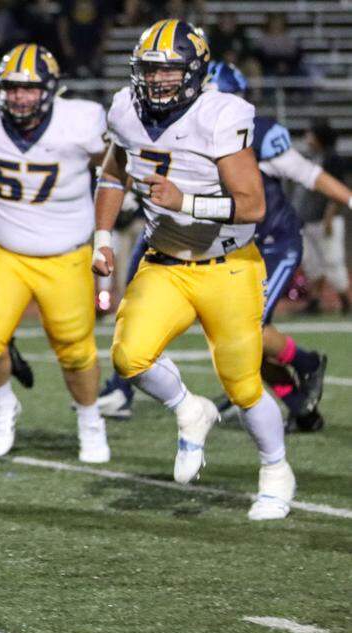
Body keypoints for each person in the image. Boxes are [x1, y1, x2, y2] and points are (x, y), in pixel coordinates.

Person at [92, 20, 293, 520]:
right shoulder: (125, 108)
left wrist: (186, 201)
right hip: (164, 262)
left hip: (228, 266)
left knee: (243, 385)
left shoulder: (220, 113)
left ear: (196, 71)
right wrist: (102, 237)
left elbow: (253, 206)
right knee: (129, 357)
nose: (157, 80)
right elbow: (113, 174)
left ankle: (275, 469)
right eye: (149, 69)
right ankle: (189, 408)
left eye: (169, 70)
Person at [0, 44, 110, 463]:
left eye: (29, 89)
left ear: (50, 90)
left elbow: (114, 166)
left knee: (75, 350)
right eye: (12, 88)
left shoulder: (80, 123)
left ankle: (90, 421)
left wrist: (111, 209)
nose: (19, 97)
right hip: (4, 250)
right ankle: (2, 403)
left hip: (65, 253)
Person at [298, 119, 351, 315]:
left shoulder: (332, 159)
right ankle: (315, 301)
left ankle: (345, 301)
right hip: (309, 219)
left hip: (325, 219)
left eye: (311, 134)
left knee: (332, 260)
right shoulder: (313, 157)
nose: (307, 138)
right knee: (312, 262)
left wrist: (330, 215)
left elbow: (338, 190)